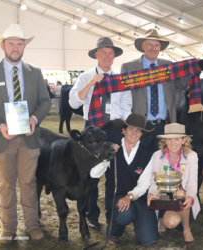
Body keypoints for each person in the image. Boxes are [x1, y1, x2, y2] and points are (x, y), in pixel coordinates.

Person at [0, 24, 51, 243]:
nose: (16, 48)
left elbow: (45, 101)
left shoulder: (35, 72)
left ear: (24, 46)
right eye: (11, 43)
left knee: (29, 184)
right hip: (2, 139)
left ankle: (33, 226)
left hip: (29, 140)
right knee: (6, 185)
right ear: (3, 45)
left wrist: (34, 119)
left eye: (20, 43)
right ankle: (8, 228)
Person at [69, 37, 132, 230]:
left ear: (114, 57)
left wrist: (125, 128)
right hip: (92, 130)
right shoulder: (85, 76)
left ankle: (112, 214)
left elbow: (126, 105)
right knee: (91, 176)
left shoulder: (120, 79)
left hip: (114, 129)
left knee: (114, 174)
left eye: (110, 53)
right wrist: (89, 84)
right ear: (96, 55)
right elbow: (73, 103)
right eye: (103, 52)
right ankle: (92, 215)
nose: (107, 56)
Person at [93, 114, 157, 247]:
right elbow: (94, 174)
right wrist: (106, 157)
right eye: (131, 129)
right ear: (123, 131)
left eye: (138, 130)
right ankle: (114, 231)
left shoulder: (148, 154)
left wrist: (130, 196)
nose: (134, 133)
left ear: (142, 134)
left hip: (140, 199)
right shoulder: (113, 150)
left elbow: (144, 183)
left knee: (148, 240)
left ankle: (138, 219)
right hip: (118, 198)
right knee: (124, 212)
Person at [120, 29, 188, 153]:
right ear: (143, 46)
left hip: (164, 125)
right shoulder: (129, 67)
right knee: (141, 162)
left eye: (156, 45)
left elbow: (182, 85)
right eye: (150, 44)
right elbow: (122, 96)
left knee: (162, 162)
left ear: (160, 48)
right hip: (140, 127)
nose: (153, 48)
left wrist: (189, 70)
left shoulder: (169, 66)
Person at [147, 123, 200, 246]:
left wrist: (190, 196)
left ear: (184, 140)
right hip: (163, 199)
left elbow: (192, 183)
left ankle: (186, 230)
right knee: (171, 222)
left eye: (177, 139)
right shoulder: (157, 155)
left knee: (181, 193)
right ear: (165, 140)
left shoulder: (192, 156)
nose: (173, 143)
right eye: (169, 139)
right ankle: (161, 220)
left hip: (182, 199)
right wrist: (151, 194)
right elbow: (154, 182)